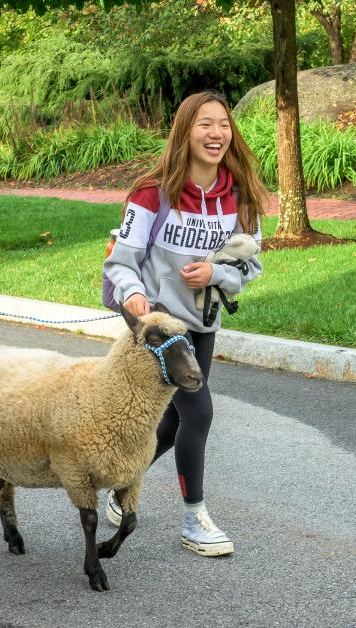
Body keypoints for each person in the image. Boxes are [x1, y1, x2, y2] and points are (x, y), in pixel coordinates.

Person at [103, 91, 266, 557]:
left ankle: (121, 484)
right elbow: (122, 261)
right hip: (158, 326)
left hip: (202, 322)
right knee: (199, 410)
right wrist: (134, 295)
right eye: (205, 124)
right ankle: (195, 518)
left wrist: (215, 274)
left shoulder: (241, 193)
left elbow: (251, 266)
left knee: (174, 421)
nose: (217, 134)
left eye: (224, 125)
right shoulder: (152, 192)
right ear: (184, 131)